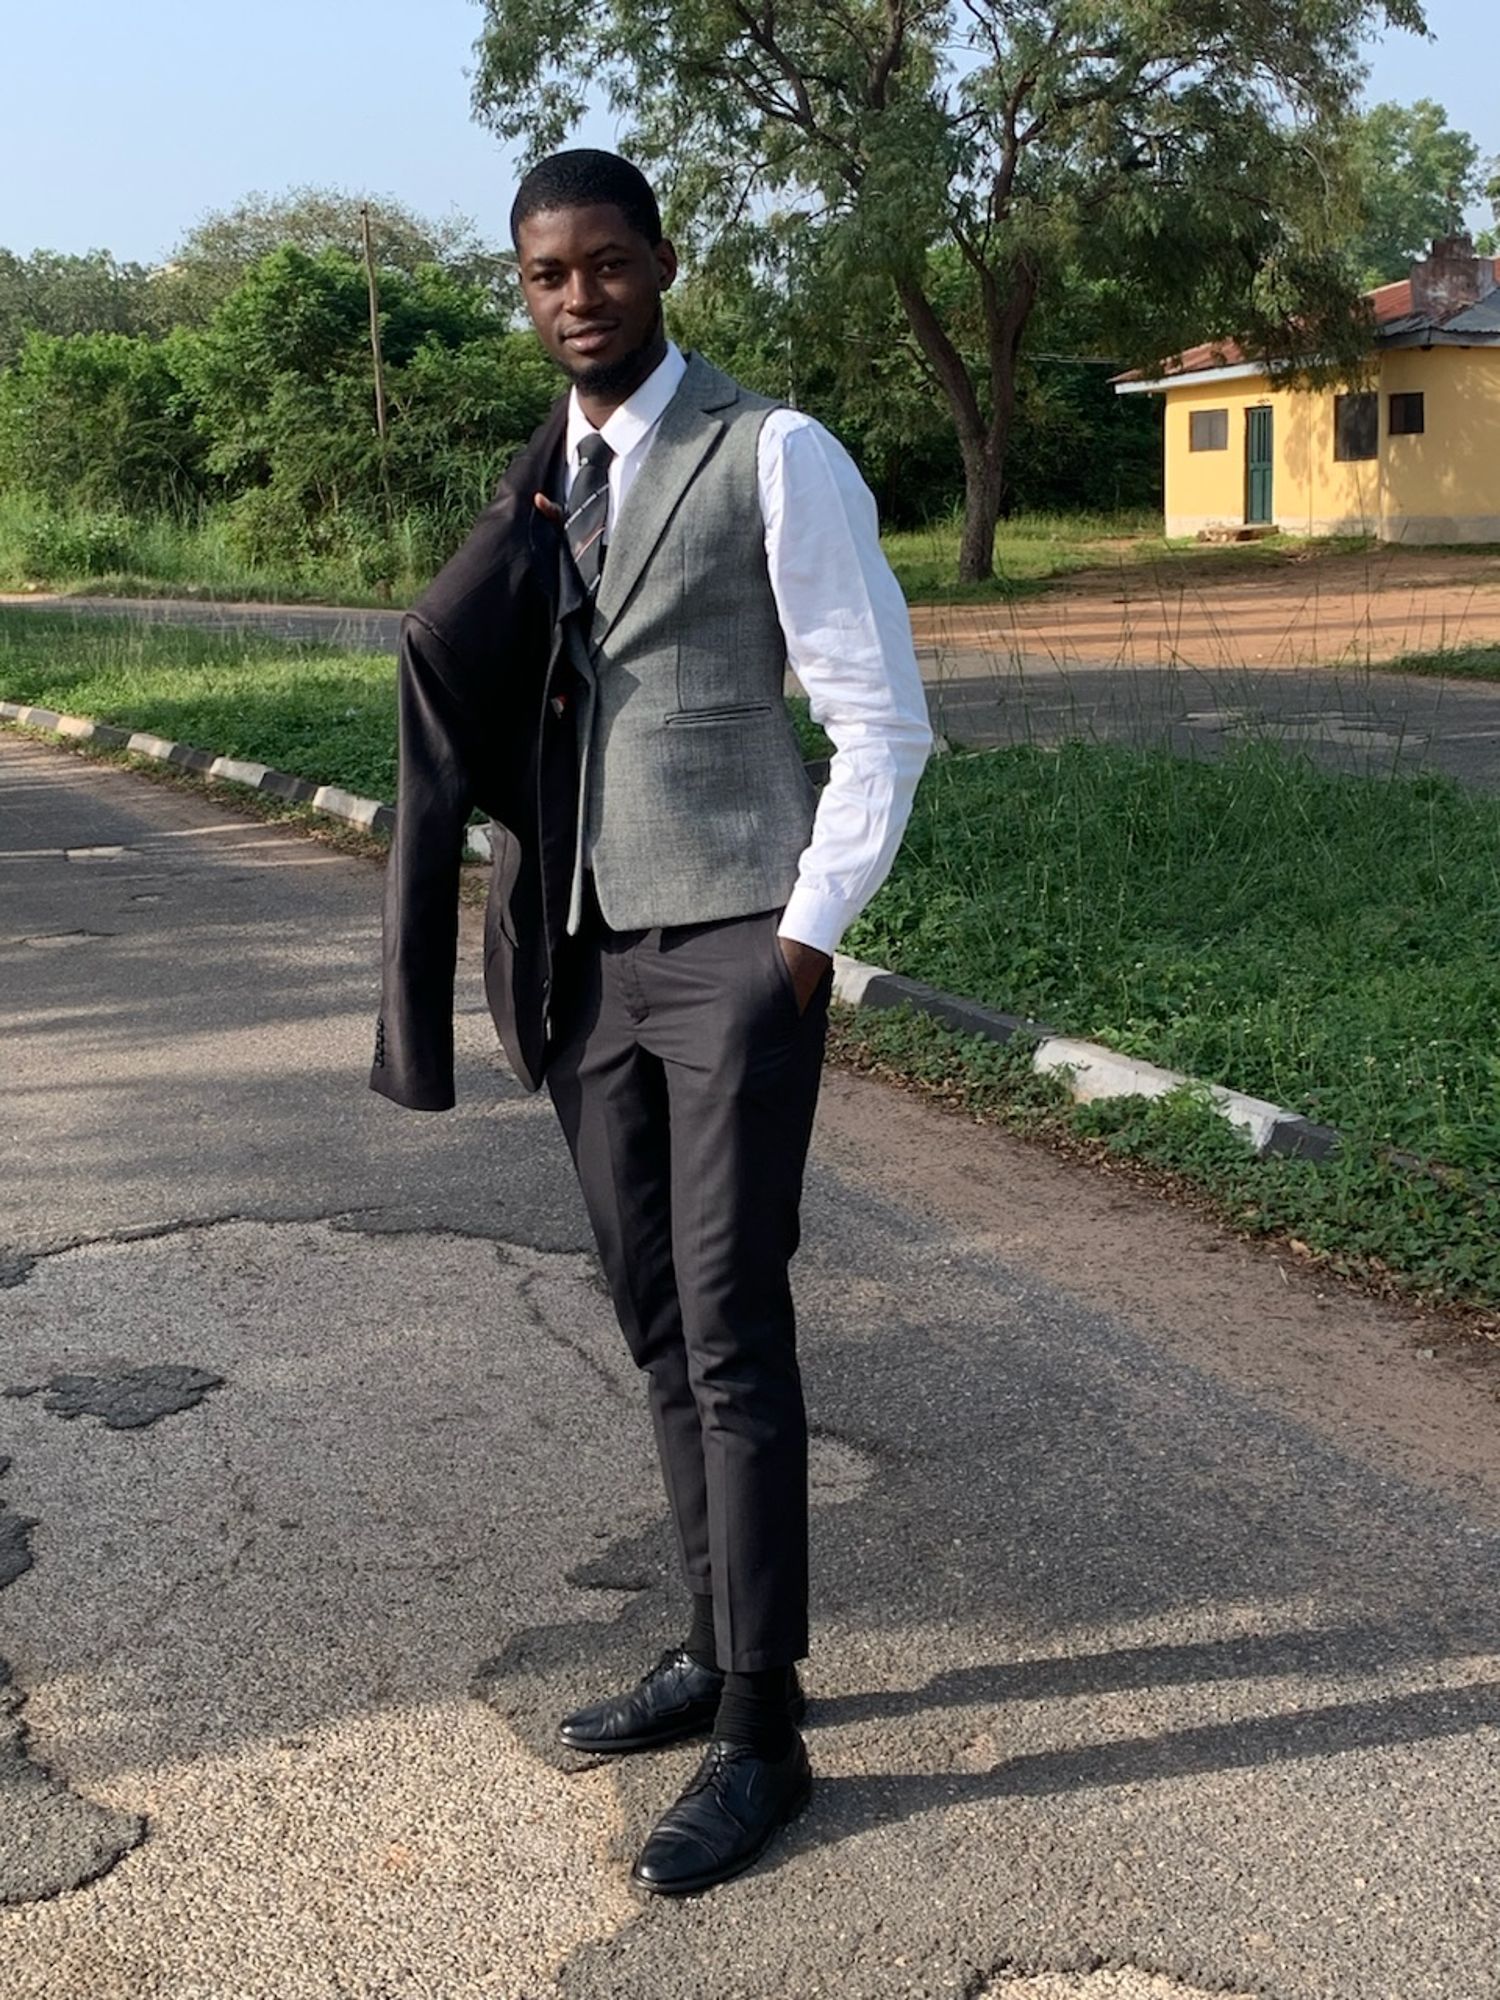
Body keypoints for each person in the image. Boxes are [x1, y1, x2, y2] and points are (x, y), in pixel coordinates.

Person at [371, 147, 930, 1895]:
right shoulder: (547, 475)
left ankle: (767, 1728)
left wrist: (802, 942)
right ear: (523, 288)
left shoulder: (775, 451)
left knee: (734, 1324)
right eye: (547, 275)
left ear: (663, 264)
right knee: (656, 1326)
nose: (579, 298)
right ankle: (712, 1641)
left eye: (607, 264)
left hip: (733, 953)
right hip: (583, 967)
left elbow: (879, 720)